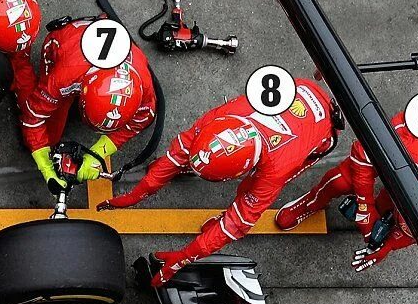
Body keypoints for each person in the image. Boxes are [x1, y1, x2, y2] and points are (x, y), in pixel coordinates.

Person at [106, 76, 336, 286]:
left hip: (321, 129)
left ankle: (303, 206)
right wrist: (137, 193)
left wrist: (185, 257)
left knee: (249, 193)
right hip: (300, 89)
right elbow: (181, 149)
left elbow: (237, 223)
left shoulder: (275, 170)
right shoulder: (219, 119)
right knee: (181, 159)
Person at [275, 109, 418, 271]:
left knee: (387, 215)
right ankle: (312, 201)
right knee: (343, 181)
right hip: (406, 141)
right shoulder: (411, 147)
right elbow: (361, 151)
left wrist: (389, 244)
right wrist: (365, 206)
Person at [16, 18, 156, 188]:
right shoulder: (63, 78)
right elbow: (32, 118)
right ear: (82, 92)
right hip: (63, 44)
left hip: (85, 51)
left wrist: (97, 154)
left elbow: (141, 120)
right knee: (48, 134)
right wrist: (47, 169)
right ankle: (17, 62)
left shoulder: (144, 88)